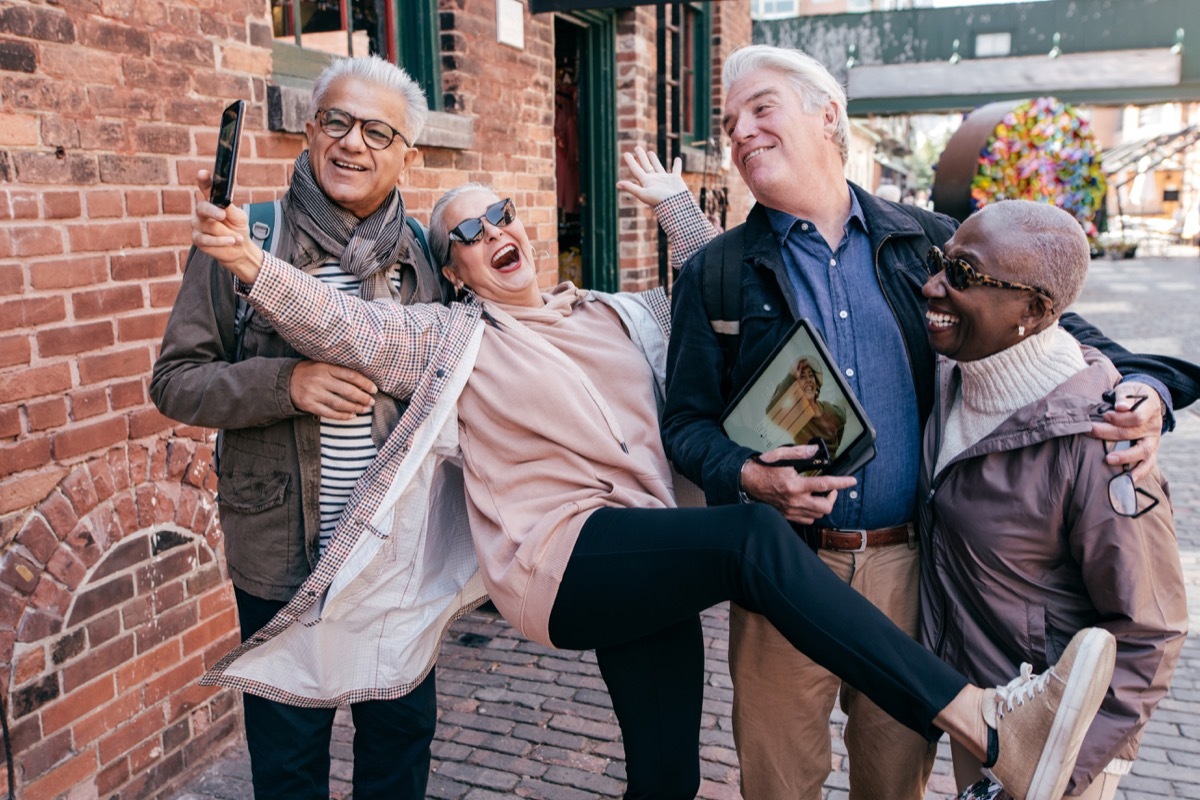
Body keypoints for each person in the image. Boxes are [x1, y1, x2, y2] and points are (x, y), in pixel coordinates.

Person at [190, 170, 1123, 800]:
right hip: (561, 562)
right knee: (751, 540)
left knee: (668, 771)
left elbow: (713, 280)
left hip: (648, 553)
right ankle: (988, 724)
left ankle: (993, 727)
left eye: (501, 213)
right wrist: (246, 263)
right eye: (465, 234)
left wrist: (678, 203)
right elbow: (346, 328)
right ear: (457, 269)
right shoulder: (449, 342)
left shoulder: (616, 313)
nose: (492, 233)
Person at [661, 44, 1200, 800]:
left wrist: (1147, 388)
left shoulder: (924, 240)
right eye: (728, 122)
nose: (739, 131)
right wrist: (747, 475)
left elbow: (1058, 328)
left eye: (760, 108)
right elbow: (684, 424)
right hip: (779, 569)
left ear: (828, 118)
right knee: (777, 783)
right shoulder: (712, 272)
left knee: (895, 782)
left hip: (910, 571)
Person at [149, 56, 448, 800]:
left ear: (409, 153)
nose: (352, 144)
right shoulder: (245, 237)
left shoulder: (425, 256)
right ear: (309, 133)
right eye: (336, 122)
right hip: (281, 552)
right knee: (287, 759)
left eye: (378, 131)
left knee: (400, 741)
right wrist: (288, 384)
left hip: (393, 557)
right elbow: (175, 382)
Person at [918, 201, 1187, 800]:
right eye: (940, 263)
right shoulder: (951, 373)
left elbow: (1152, 629)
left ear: (1035, 309)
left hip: (1060, 749)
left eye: (962, 275)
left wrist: (1060, 770)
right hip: (981, 717)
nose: (931, 284)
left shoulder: (1104, 444)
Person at [767, 356, 847, 455]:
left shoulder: (829, 410)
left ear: (817, 384)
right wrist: (791, 377)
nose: (808, 380)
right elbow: (771, 410)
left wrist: (836, 445)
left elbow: (843, 417)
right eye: (802, 377)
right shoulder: (796, 419)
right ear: (795, 387)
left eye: (811, 375)